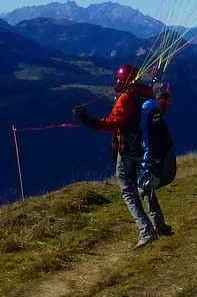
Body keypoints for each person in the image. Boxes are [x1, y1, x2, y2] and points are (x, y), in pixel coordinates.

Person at [73, 63, 171, 249]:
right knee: (145, 186)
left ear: (123, 80)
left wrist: (88, 120)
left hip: (127, 152)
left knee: (128, 190)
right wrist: (163, 97)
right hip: (146, 149)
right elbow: (160, 109)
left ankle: (146, 231)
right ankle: (160, 224)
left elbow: (113, 123)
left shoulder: (126, 98)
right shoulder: (147, 93)